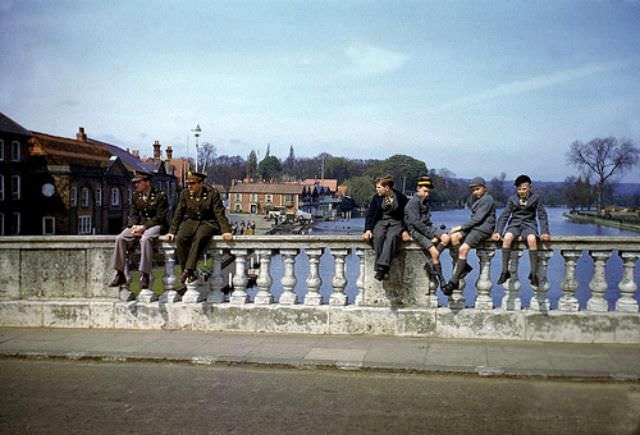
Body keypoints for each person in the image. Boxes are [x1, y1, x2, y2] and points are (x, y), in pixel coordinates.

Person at [165, 172, 233, 284]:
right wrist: (172, 231)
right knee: (180, 238)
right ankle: (187, 271)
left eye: (192, 183)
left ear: (201, 183)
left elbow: (219, 213)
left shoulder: (212, 193)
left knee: (200, 238)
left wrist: (226, 231)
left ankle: (188, 270)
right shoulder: (185, 194)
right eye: (188, 184)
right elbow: (179, 213)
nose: (189, 186)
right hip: (191, 221)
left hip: (208, 222)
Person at [109, 171, 169, 289]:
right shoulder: (136, 195)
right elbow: (133, 214)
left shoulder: (160, 196)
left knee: (146, 239)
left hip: (156, 225)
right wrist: (133, 226)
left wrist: (143, 227)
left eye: (139, 182)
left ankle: (145, 274)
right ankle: (120, 273)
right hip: (139, 225)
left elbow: (160, 217)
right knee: (120, 238)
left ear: (147, 182)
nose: (136, 185)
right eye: (135, 183)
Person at [492, 174, 551, 286]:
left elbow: (542, 215)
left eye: (524, 189)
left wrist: (545, 232)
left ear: (529, 188)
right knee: (507, 238)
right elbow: (505, 215)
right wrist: (498, 232)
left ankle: (533, 274)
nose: (521, 191)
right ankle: (505, 272)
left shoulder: (535, 198)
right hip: (515, 224)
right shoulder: (512, 199)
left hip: (529, 225)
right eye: (519, 189)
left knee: (532, 239)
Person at [442, 177, 496, 296]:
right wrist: (459, 229)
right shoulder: (477, 199)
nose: (475, 192)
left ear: (484, 188)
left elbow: (478, 219)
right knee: (454, 237)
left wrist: (461, 227)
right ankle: (464, 266)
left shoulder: (488, 199)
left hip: (483, 228)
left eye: (477, 189)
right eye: (473, 190)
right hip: (475, 227)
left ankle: (453, 281)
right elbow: (474, 220)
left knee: (463, 249)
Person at [404, 175, 450, 289]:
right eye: (425, 191)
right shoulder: (412, 203)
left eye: (428, 192)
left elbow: (427, 221)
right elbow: (416, 223)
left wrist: (436, 233)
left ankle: (430, 264)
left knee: (446, 237)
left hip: (427, 227)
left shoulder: (425, 202)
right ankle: (442, 281)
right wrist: (431, 235)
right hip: (416, 231)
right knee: (434, 253)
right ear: (418, 189)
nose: (427, 194)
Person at [363, 175, 409, 281]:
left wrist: (406, 230)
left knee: (392, 237)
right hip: (381, 222)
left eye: (379, 187)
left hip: (396, 223)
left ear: (387, 188)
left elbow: (407, 216)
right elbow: (370, 214)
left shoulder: (401, 198)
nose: (376, 190)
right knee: (378, 236)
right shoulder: (376, 198)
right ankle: (383, 269)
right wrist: (368, 230)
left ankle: (382, 268)